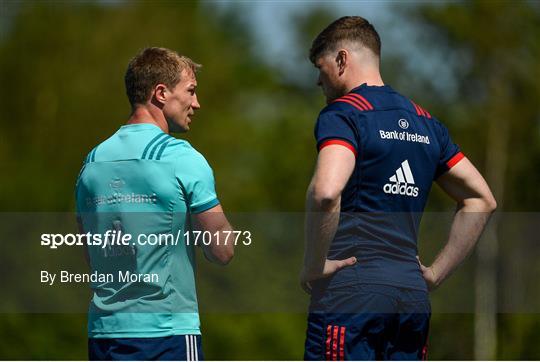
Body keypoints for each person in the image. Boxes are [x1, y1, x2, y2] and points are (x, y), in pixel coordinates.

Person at [300, 16, 496, 360]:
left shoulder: (344, 114)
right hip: (411, 297)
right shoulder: (426, 121)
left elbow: (326, 192)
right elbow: (481, 199)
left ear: (342, 60)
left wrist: (314, 265)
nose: (319, 79)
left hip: (352, 293)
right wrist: (434, 274)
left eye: (321, 66)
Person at [76, 47, 234, 361]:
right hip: (167, 334)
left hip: (104, 336)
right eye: (191, 91)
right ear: (161, 93)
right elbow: (222, 251)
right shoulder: (181, 157)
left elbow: (92, 258)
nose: (196, 103)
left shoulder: (91, 163)